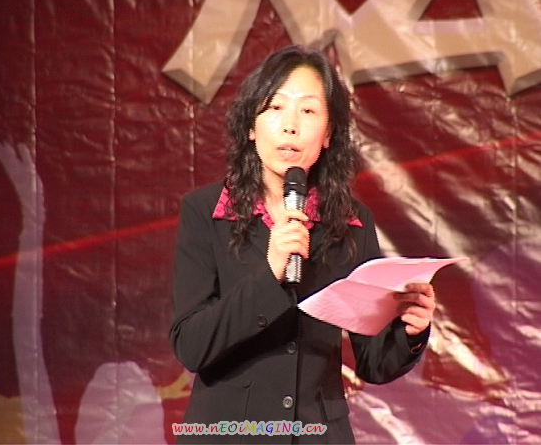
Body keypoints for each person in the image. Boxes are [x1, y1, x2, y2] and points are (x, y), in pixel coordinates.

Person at [169, 45, 435, 444]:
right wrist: (269, 274)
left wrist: (410, 331)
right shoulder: (206, 213)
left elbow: (374, 361)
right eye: (276, 107)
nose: (290, 125)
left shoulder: (350, 222)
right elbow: (191, 345)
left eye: (308, 110)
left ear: (327, 134)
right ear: (251, 126)